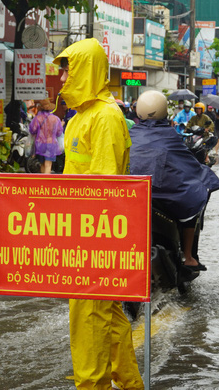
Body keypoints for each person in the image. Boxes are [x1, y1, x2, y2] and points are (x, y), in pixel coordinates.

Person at [54, 38, 143, 390]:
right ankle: (130, 383)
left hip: (96, 235)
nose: (61, 78)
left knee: (88, 317)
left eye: (67, 70)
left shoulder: (106, 117)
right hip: (78, 231)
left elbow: (106, 188)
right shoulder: (78, 118)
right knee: (109, 316)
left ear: (85, 71)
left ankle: (91, 386)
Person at [130, 90, 219, 270]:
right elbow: (187, 164)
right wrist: (203, 173)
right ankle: (188, 256)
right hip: (164, 194)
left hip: (136, 194)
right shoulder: (169, 134)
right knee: (195, 198)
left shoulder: (132, 133)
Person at [28, 98, 63, 174]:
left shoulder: (37, 118)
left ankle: (42, 181)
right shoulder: (55, 119)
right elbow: (59, 132)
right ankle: (46, 182)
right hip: (51, 144)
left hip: (40, 144)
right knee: (48, 164)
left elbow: (32, 130)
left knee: (42, 164)